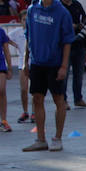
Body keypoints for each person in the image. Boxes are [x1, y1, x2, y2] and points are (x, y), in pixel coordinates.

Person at [22, 0, 74, 151]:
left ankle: (57, 138)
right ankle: (40, 139)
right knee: (37, 98)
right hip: (37, 62)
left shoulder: (62, 12)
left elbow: (67, 42)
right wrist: (26, 60)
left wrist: (64, 66)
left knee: (59, 99)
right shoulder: (32, 10)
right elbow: (28, 36)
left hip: (55, 63)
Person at [61, 0, 86, 108]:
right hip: (65, 44)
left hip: (79, 43)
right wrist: (70, 26)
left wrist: (84, 24)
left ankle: (78, 99)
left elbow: (84, 17)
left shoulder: (77, 4)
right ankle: (63, 100)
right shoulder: (59, 5)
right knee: (64, 74)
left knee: (79, 73)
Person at [9, 24, 30, 124]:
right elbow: (6, 37)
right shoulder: (18, 31)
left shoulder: (34, 28)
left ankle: (34, 112)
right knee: (23, 89)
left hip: (34, 62)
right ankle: (25, 111)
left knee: (35, 90)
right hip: (22, 62)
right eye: (23, 19)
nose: (25, 21)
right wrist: (16, 45)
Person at [0, 26, 11, 132]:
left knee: (2, 91)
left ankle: (4, 120)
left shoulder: (1, 31)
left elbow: (6, 50)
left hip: (1, 65)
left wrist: (10, 67)